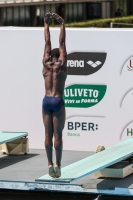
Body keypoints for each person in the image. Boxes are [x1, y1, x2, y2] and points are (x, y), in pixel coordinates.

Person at [42, 12, 67, 178]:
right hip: (57, 100)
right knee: (58, 135)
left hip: (46, 100)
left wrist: (46, 23)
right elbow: (61, 42)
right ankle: (58, 165)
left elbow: (47, 41)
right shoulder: (62, 64)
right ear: (60, 56)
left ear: (50, 55)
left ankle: (49, 163)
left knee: (47, 134)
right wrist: (62, 23)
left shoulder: (45, 63)